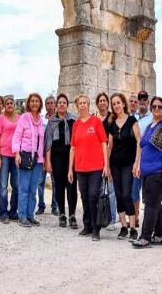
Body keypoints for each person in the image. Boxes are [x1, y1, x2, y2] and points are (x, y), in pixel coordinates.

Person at [132, 96, 162, 249]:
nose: (157, 109)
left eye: (160, 107)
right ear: (151, 109)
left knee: (151, 203)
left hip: (158, 171)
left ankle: (145, 237)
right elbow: (142, 146)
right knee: (154, 203)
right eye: (154, 106)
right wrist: (138, 165)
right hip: (147, 171)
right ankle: (159, 235)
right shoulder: (150, 126)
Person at [69, 94, 109, 241]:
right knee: (84, 196)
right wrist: (70, 169)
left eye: (85, 103)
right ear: (77, 106)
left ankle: (96, 228)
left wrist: (106, 165)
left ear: (88, 105)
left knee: (93, 196)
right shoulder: (76, 124)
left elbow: (104, 143)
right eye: (80, 103)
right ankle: (87, 226)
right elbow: (72, 148)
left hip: (96, 167)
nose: (82, 105)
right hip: (80, 167)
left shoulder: (96, 122)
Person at [105, 92, 140, 241]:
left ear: (123, 104)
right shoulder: (112, 124)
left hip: (128, 164)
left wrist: (137, 163)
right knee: (119, 195)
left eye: (118, 103)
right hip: (115, 164)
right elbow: (109, 146)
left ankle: (133, 228)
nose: (116, 106)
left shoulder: (132, 120)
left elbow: (140, 141)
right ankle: (124, 227)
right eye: (114, 104)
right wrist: (106, 166)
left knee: (127, 194)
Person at [45, 94, 79, 229]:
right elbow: (48, 144)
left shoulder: (73, 120)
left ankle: (72, 215)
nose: (62, 104)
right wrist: (48, 162)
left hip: (71, 158)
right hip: (56, 158)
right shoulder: (52, 122)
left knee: (71, 187)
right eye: (60, 102)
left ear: (67, 105)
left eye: (64, 102)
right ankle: (62, 215)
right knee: (58, 187)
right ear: (56, 105)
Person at [12, 93, 46, 228]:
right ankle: (22, 216)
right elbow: (17, 136)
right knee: (24, 188)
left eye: (37, 101)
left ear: (40, 103)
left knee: (33, 189)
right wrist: (17, 154)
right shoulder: (24, 118)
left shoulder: (41, 120)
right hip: (25, 156)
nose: (34, 103)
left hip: (37, 159)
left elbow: (42, 140)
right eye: (32, 101)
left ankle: (30, 215)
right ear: (28, 103)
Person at [96, 91, 118, 231]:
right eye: (100, 100)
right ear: (97, 103)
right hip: (96, 157)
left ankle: (112, 219)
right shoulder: (94, 118)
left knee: (111, 190)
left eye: (104, 100)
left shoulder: (112, 118)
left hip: (110, 156)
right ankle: (100, 217)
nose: (102, 103)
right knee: (98, 190)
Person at [0, 95, 20, 223]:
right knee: (3, 185)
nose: (10, 105)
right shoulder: (1, 119)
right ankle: (3, 213)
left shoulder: (19, 118)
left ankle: (13, 211)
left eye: (11, 103)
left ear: (14, 105)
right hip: (4, 154)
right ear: (5, 106)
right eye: (7, 103)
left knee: (16, 185)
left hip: (16, 155)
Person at [132, 90, 153, 226]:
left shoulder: (152, 117)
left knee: (148, 192)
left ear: (148, 101)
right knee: (134, 191)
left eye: (145, 99)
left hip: (148, 158)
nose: (142, 101)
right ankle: (136, 218)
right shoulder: (132, 117)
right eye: (141, 99)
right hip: (134, 158)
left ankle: (149, 220)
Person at [36, 95, 58, 216]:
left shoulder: (58, 119)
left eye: (51, 103)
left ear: (54, 105)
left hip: (55, 155)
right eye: (47, 103)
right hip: (42, 154)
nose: (50, 105)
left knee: (55, 182)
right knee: (40, 182)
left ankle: (55, 206)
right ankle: (41, 205)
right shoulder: (41, 120)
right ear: (45, 105)